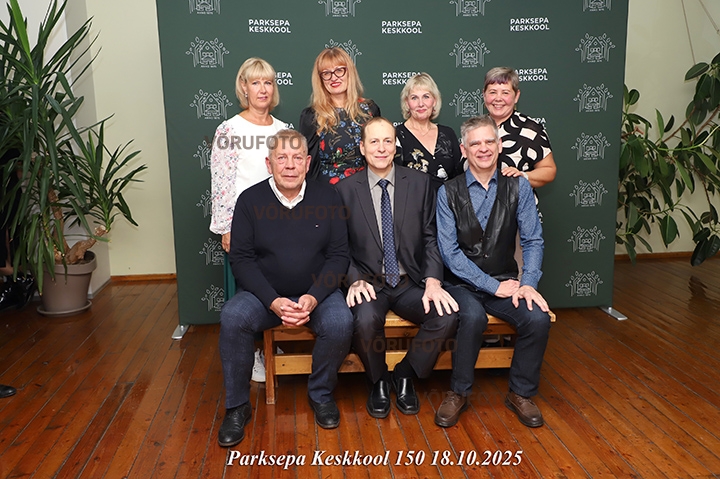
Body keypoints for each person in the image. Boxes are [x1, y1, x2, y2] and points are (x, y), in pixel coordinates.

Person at [218, 129, 352, 447]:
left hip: (316, 293)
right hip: (264, 295)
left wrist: (313, 297)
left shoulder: (328, 197)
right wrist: (273, 301)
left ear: (307, 163)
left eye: (296, 158)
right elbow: (241, 260)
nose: (290, 165)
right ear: (269, 163)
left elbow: (338, 256)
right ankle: (237, 407)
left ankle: (320, 394)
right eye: (282, 158)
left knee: (341, 322)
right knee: (233, 318)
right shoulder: (250, 200)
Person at [336, 116, 458, 419]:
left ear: (395, 146)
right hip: (368, 281)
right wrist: (353, 279)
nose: (381, 148)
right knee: (364, 320)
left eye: (387, 141)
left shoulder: (419, 183)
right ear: (362, 147)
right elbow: (338, 247)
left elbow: (430, 237)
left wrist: (433, 281)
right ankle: (378, 380)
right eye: (374, 142)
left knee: (446, 315)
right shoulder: (344, 190)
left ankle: (405, 374)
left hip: (410, 280)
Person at [435, 115, 552, 428]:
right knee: (472, 318)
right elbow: (450, 253)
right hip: (461, 284)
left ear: (499, 146)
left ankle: (520, 393)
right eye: (475, 143)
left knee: (538, 318)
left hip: (506, 281)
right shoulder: (447, 192)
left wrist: (528, 284)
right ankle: (458, 392)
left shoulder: (519, 186)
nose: (483, 148)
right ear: (464, 149)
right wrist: (491, 286)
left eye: (489, 141)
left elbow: (533, 240)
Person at [209, 57, 288, 382]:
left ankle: (274, 345)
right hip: (245, 227)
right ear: (244, 87)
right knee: (248, 293)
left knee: (280, 285)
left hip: (281, 227)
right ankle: (253, 353)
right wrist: (227, 228)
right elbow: (222, 183)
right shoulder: (229, 130)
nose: (262, 89)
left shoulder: (283, 129)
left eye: (268, 82)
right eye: (255, 82)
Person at [299, 47, 380, 184]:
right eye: (326, 73)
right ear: (320, 79)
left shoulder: (370, 110)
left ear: (349, 72)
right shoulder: (312, 116)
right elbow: (307, 166)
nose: (333, 78)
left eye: (339, 70)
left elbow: (380, 155)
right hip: (328, 191)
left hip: (366, 190)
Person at [483, 66, 556, 191]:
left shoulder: (530, 129)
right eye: (493, 92)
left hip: (518, 202)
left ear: (516, 96)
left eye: (505, 93)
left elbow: (549, 170)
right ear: (484, 95)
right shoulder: (475, 128)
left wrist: (523, 176)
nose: (498, 98)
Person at [396, 73, 463, 190]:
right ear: (407, 103)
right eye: (414, 98)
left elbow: (459, 176)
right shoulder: (397, 135)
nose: (421, 104)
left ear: (434, 101)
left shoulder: (448, 134)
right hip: (413, 201)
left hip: (448, 201)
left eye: (426, 97)